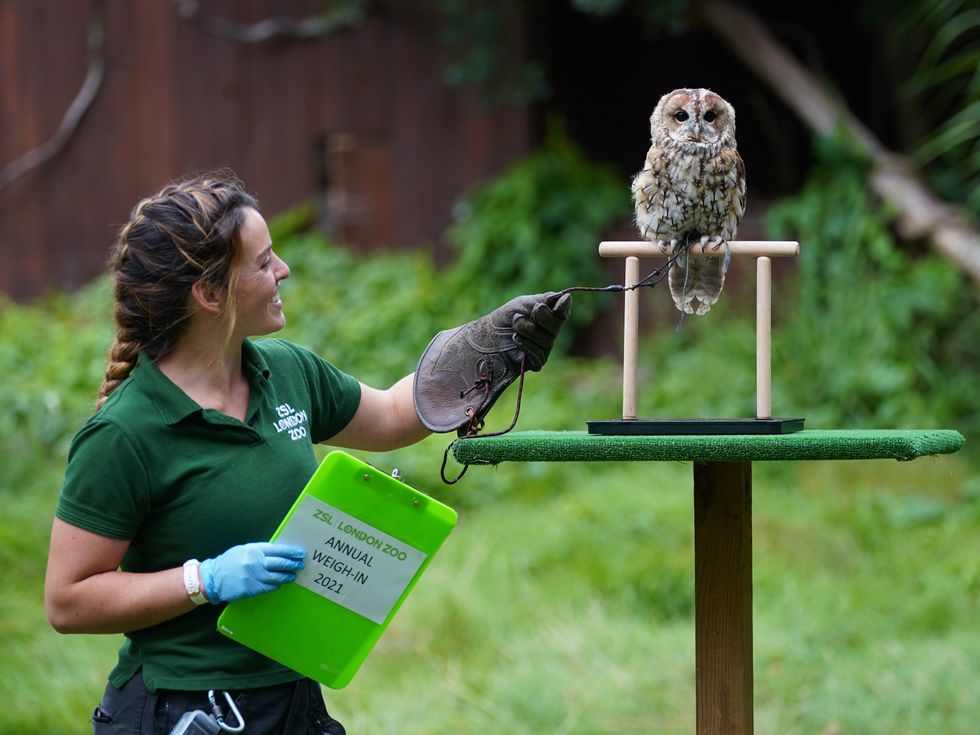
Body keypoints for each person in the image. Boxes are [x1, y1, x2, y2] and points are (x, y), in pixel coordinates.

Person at [44, 170, 570, 735]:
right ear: (209, 294)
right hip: (183, 709)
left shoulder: (286, 371)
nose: (283, 270)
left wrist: (487, 349)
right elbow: (68, 601)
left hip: (293, 696)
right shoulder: (125, 432)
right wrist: (205, 581)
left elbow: (393, 415)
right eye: (264, 262)